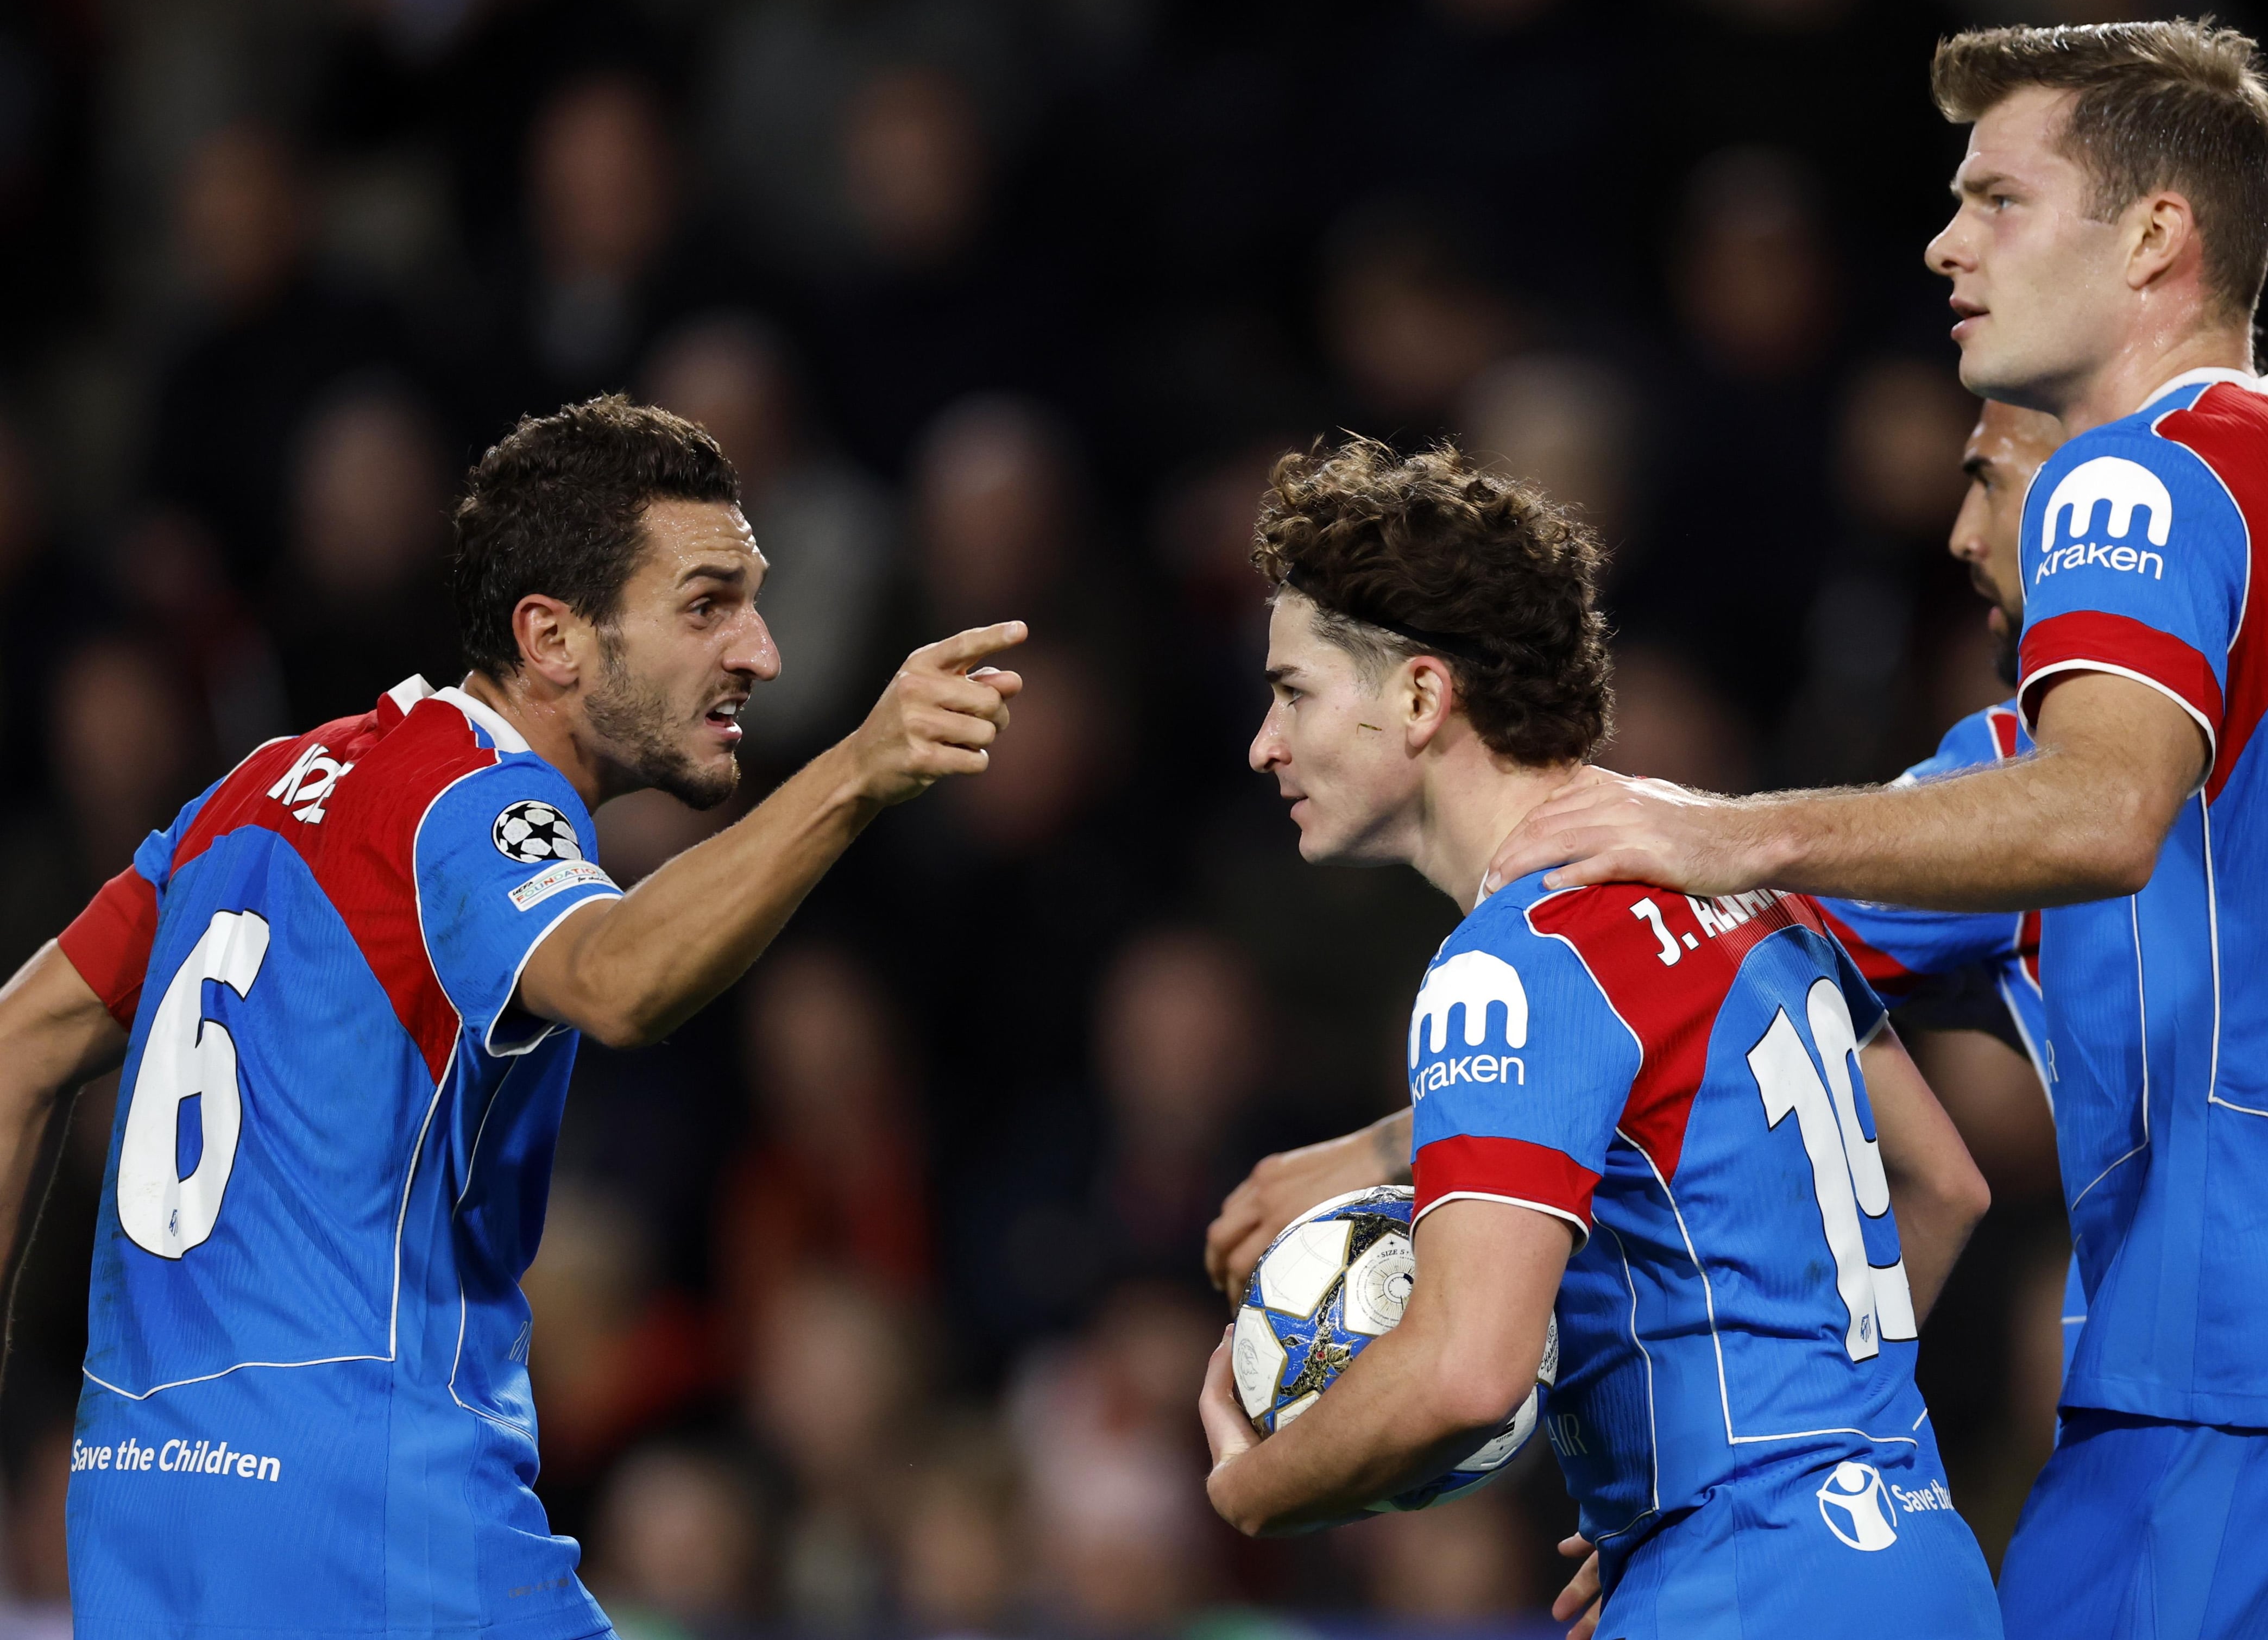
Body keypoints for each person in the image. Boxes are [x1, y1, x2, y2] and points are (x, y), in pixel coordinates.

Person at [1475, 20, 2268, 1639]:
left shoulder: (2140, 476)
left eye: (1996, 198)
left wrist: (1735, 832)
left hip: (2248, 1364)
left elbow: (2101, 812)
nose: (1945, 241)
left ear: (2152, 237)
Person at [0, 395, 1024, 1636]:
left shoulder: (250, 793)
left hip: (141, 1516)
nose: (759, 651)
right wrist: (855, 771)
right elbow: (616, 977)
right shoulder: (475, 803)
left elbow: (18, 1044)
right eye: (706, 605)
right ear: (552, 637)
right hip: (370, 1518)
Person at [1192, 439, 2002, 1636]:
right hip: (1919, 1559)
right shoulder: (1722, 865)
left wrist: (1248, 1488)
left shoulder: (1513, 960)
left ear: (1420, 696)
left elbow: (1466, 1372)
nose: (1264, 742)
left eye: (1294, 691)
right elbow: (1941, 1183)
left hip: (1747, 1587)